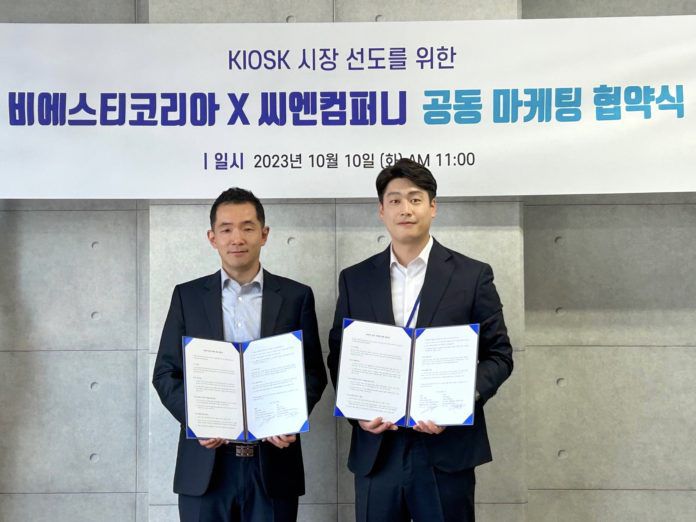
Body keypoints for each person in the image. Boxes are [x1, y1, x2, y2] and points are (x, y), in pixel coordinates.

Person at [328, 158, 513, 522]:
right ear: (381, 210)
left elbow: (499, 356)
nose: (406, 209)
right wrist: (357, 412)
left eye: (415, 199)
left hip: (446, 449)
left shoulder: (472, 275)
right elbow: (340, 356)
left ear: (433, 207)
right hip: (378, 449)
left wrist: (457, 402)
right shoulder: (355, 279)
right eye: (395, 200)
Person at [153, 187, 327, 522]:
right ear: (212, 238)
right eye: (226, 229)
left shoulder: (296, 296)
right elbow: (165, 373)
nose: (237, 238)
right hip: (205, 467)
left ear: (264, 234)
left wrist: (289, 417)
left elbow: (313, 373)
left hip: (272, 464)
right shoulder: (188, 297)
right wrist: (197, 420)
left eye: (247, 228)